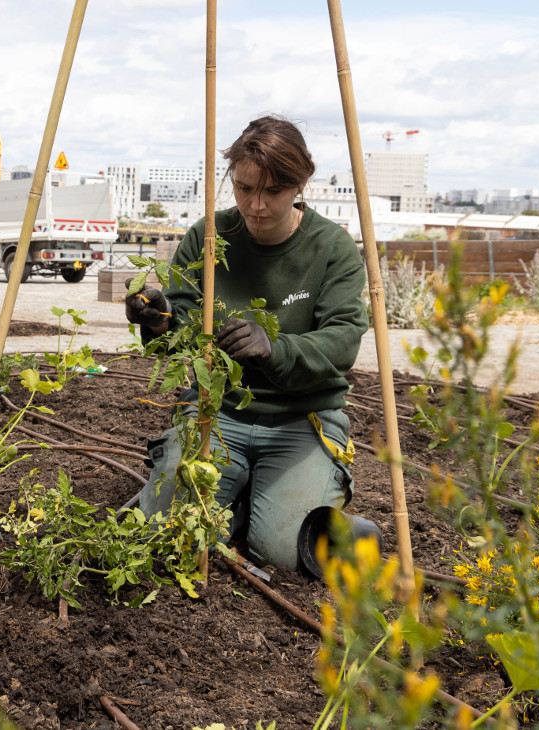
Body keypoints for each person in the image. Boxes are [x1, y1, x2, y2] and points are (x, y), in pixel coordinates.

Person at [125, 115, 368, 573]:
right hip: (217, 414)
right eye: (243, 189)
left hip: (300, 419)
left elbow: (342, 342)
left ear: (299, 185)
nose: (255, 206)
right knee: (168, 539)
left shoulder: (331, 247)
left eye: (272, 192)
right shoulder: (209, 236)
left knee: (289, 555)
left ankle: (272, 503)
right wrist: (157, 320)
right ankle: (235, 502)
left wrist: (276, 349)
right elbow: (178, 335)